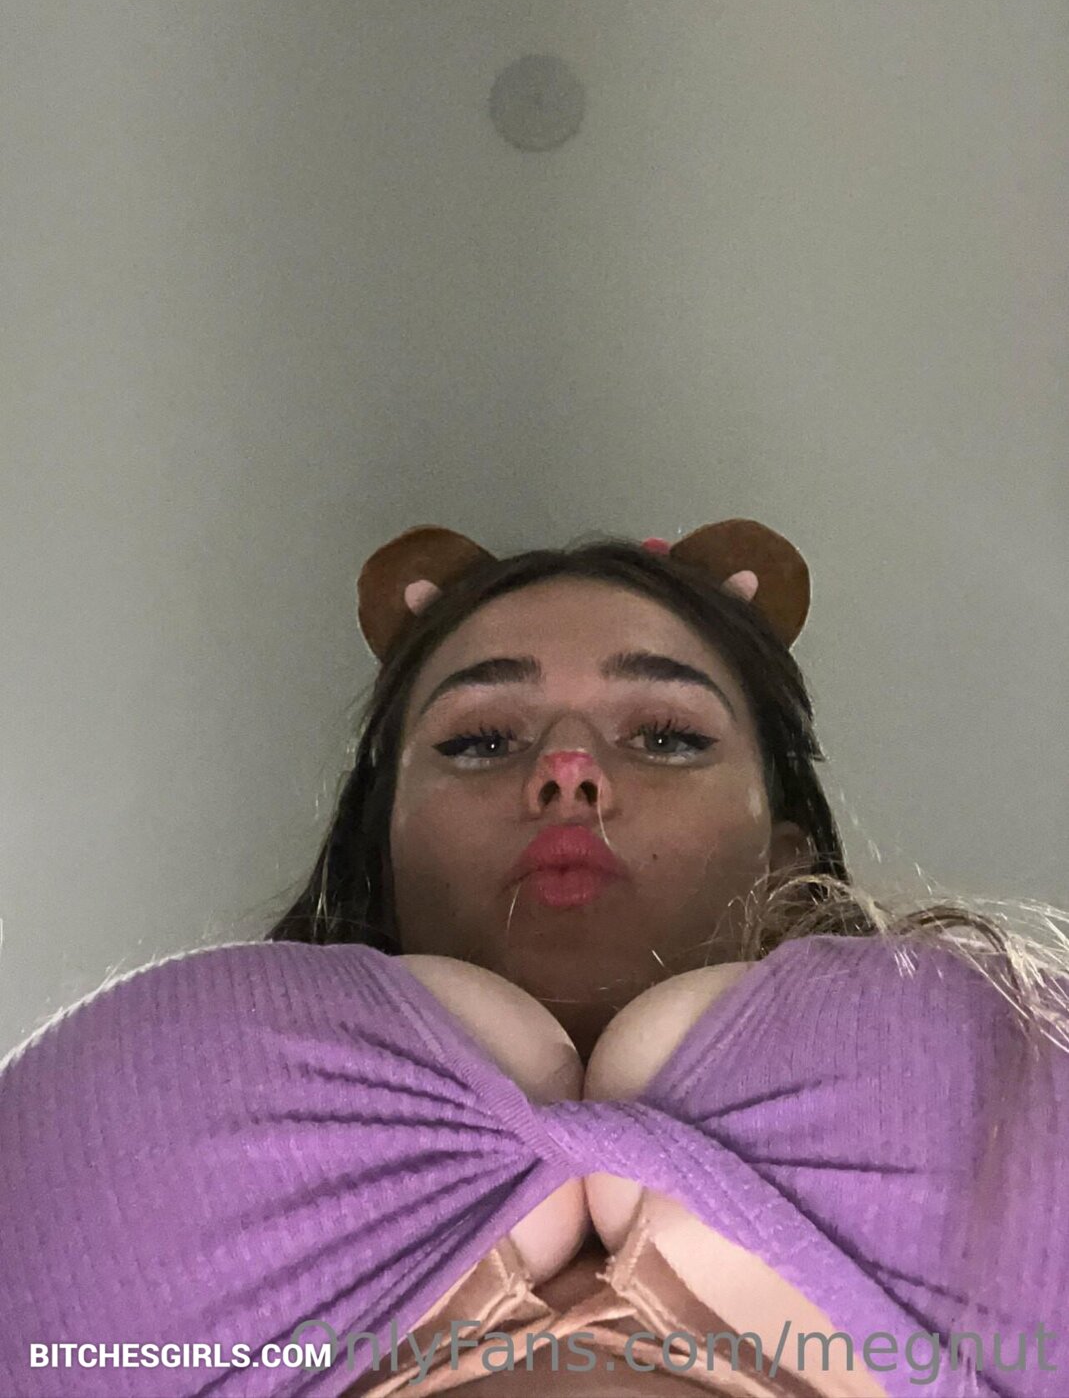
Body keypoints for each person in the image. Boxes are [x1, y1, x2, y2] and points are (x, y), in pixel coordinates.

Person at [2, 521, 1067, 1398]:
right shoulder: (154, 1108)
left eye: (664, 735)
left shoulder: (1002, 1064)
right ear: (380, 852)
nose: (568, 769)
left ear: (785, 851)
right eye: (479, 741)